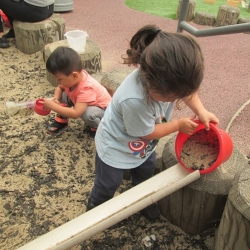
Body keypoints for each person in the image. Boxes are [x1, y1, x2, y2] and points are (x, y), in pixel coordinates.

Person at [87, 25, 219, 221]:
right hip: (115, 147)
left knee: (145, 173)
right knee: (108, 183)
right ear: (151, 83)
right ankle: (95, 211)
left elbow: (188, 92)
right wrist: (177, 125)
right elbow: (146, 132)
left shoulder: (169, 79)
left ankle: (140, 200)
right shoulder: (135, 101)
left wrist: (201, 110)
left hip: (141, 148)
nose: (176, 99)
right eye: (172, 98)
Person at [42, 46, 112, 137]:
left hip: (102, 111)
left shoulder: (86, 88)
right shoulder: (73, 79)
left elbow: (76, 113)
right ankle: (62, 121)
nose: (57, 81)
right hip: (85, 103)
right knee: (63, 94)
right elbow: (59, 88)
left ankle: (97, 128)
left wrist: (53, 106)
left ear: (74, 76)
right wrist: (56, 99)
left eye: (59, 79)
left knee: (88, 114)